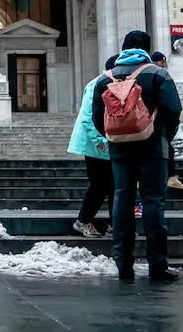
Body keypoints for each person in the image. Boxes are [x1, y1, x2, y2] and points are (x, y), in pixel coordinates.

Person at [93, 30, 182, 283]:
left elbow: (97, 117)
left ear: (123, 48)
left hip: (119, 149)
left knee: (122, 200)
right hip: (153, 148)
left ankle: (123, 264)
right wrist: (162, 134)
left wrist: (116, 135)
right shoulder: (158, 74)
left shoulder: (105, 78)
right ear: (146, 48)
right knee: (153, 202)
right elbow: (173, 111)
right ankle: (157, 265)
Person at [68, 54, 118, 238]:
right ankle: (83, 221)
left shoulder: (106, 83)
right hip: (95, 145)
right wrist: (101, 141)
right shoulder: (98, 84)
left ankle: (115, 223)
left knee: (112, 185)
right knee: (100, 185)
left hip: (104, 143)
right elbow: (88, 117)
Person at [152, 51, 183, 192]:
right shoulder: (161, 75)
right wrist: (172, 126)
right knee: (166, 150)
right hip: (159, 125)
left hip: (145, 125)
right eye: (164, 61)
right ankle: (171, 178)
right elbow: (172, 105)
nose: (166, 64)